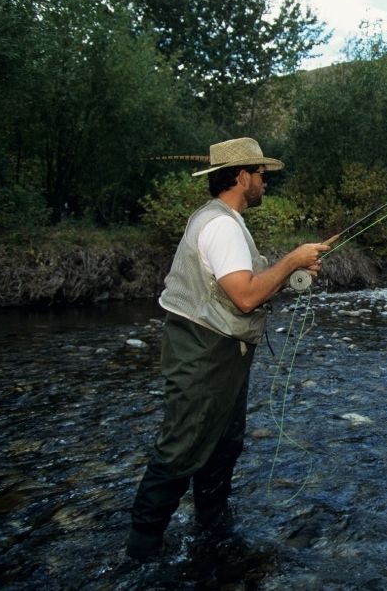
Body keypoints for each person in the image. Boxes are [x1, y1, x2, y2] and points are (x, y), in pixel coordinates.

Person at [126, 137, 329, 561]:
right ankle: (140, 553)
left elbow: (247, 285)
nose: (265, 183)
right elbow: (245, 297)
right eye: (261, 175)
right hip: (204, 353)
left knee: (222, 443)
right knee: (180, 448)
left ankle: (212, 528)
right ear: (241, 177)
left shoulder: (222, 220)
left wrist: (289, 270)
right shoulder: (221, 225)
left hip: (218, 351)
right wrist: (291, 261)